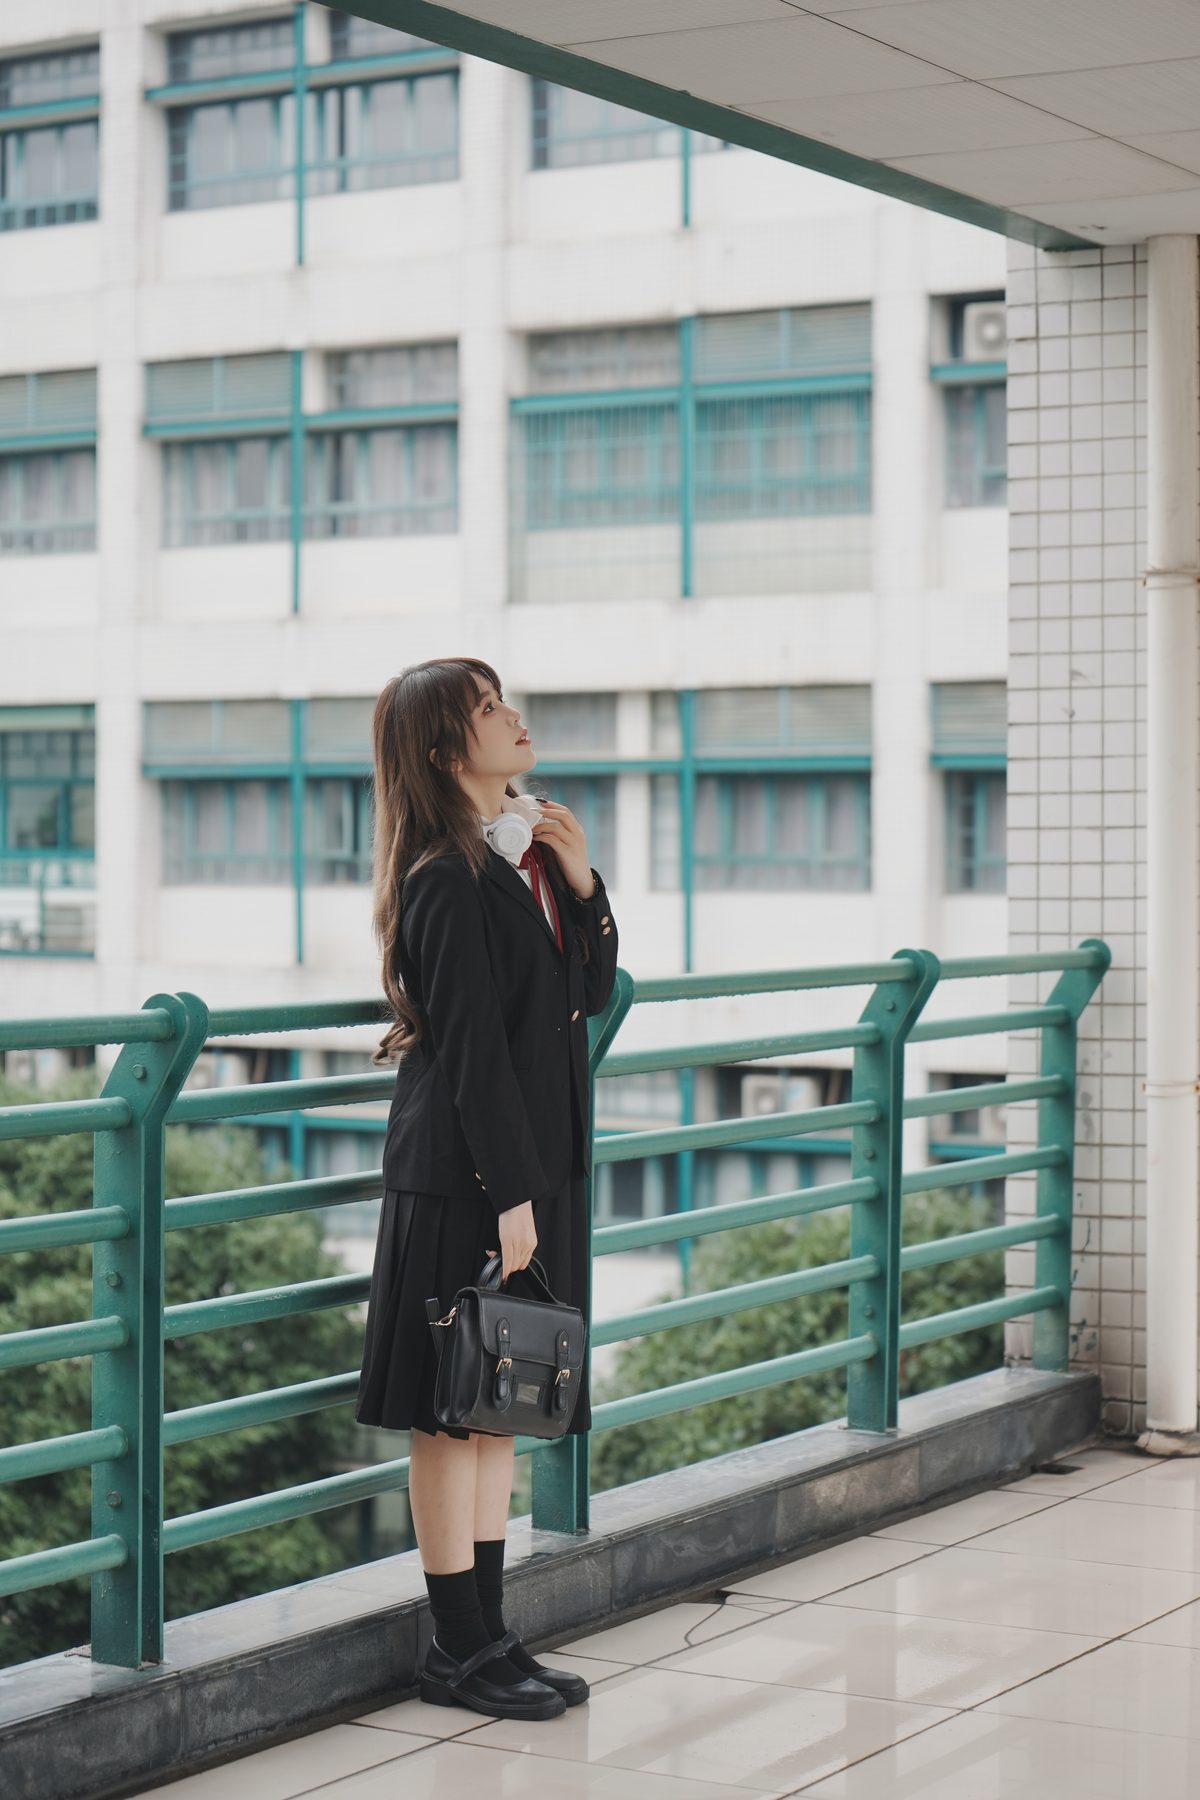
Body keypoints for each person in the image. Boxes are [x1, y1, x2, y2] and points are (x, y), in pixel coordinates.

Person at [355, 655, 619, 1722]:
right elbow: (467, 1050)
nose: (515, 717)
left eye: (504, 700)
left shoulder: (528, 854)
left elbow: (587, 992)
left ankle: (493, 1638)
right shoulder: (442, 875)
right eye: (488, 709)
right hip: (465, 1178)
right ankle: (455, 1649)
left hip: (528, 1170)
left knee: (500, 1402)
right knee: (448, 1416)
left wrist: (585, 883)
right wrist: (510, 1195)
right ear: (442, 750)